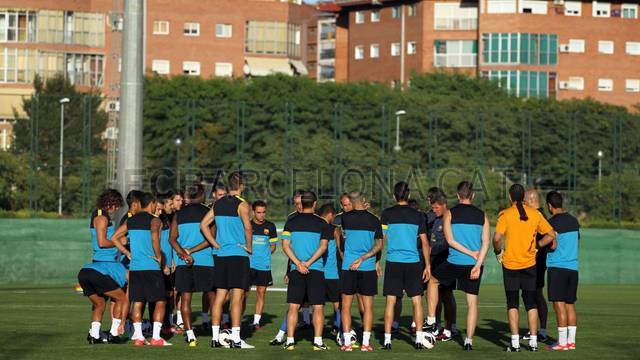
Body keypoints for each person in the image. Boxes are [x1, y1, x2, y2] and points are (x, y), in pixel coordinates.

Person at [425, 181, 490, 351]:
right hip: (474, 265)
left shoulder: (450, 214)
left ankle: (431, 319)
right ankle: (468, 341)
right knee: (472, 303)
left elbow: (450, 241)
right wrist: (477, 263)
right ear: (473, 195)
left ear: (457, 195)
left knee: (432, 280)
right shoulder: (482, 215)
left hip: (454, 262)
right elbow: (486, 242)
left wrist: (469, 253)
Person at [493, 184, 556, 352]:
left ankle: (514, 344)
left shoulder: (505, 214)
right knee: (530, 303)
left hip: (511, 264)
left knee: (512, 303)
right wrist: (537, 246)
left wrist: (498, 252)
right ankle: (534, 342)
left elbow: (497, 238)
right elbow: (551, 234)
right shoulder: (536, 214)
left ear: (510, 197)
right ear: (523, 197)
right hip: (530, 264)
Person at [110, 192, 172, 346]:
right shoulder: (155, 220)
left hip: (135, 267)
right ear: (151, 203)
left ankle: (138, 337)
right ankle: (156, 338)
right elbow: (154, 239)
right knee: (160, 301)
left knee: (138, 301)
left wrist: (126, 253)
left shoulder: (131, 220)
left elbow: (114, 237)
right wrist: (159, 257)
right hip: (150, 266)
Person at [201, 171, 253, 349]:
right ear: (241, 186)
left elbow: (203, 225)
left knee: (219, 297)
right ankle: (236, 339)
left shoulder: (218, 203)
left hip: (221, 256)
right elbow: (248, 228)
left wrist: (215, 244)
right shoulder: (243, 205)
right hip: (238, 256)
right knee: (236, 298)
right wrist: (249, 246)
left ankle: (215, 339)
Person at [381, 182, 430, 350]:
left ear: (394, 196)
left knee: (390, 301)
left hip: (393, 262)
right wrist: (428, 265)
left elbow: (382, 239)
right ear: (408, 196)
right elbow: (425, 243)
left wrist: (375, 261)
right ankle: (418, 339)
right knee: (417, 301)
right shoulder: (418, 215)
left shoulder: (387, 214)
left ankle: (387, 341)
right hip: (413, 263)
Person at [281, 191, 331, 351]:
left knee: (294, 306)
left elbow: (285, 246)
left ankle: (289, 341)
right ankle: (318, 341)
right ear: (315, 204)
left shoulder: (291, 222)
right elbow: (323, 247)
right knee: (318, 307)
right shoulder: (323, 223)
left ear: (301, 203)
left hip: (296, 270)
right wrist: (308, 263)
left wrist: (298, 264)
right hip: (315, 270)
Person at [168, 184, 214, 347]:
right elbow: (212, 238)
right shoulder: (208, 213)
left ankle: (190, 336)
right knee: (212, 297)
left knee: (185, 299)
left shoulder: (178, 214)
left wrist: (184, 254)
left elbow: (172, 239)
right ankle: (215, 335)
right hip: (205, 261)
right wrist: (191, 252)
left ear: (188, 195)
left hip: (183, 262)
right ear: (201, 195)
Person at [80, 189, 128, 344]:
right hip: (104, 265)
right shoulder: (101, 217)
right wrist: (120, 242)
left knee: (100, 303)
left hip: (99, 265)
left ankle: (94, 335)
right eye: (116, 206)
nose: (116, 210)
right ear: (110, 203)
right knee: (121, 297)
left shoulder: (101, 215)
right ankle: (114, 334)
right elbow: (102, 242)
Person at [339, 191, 383, 352]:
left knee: (346, 306)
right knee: (368, 307)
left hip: (348, 267)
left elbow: (343, 237)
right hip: (368, 267)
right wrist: (364, 258)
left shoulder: (345, 218)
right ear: (364, 201)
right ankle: (365, 343)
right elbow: (379, 245)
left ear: (351, 201)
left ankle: (347, 343)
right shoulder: (374, 220)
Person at [544, 191, 580, 351]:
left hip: (557, 267)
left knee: (559, 305)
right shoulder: (574, 221)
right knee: (570, 305)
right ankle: (571, 342)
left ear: (549, 206)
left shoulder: (551, 223)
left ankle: (562, 343)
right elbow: (577, 241)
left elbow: (552, 245)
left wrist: (539, 246)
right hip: (573, 268)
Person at [425, 188, 457, 342]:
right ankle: (435, 326)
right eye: (432, 207)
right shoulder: (432, 218)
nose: (434, 210)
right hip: (433, 262)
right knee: (433, 295)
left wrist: (432, 248)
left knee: (447, 295)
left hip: (447, 261)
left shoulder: (450, 218)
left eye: (436, 207)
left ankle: (451, 328)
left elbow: (448, 243)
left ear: (444, 205)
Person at [522, 189, 549, 342]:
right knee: (532, 294)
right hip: (533, 262)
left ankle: (540, 331)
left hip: (536, 263)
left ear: (531, 200)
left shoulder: (538, 215)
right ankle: (537, 330)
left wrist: (536, 246)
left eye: (524, 201)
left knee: (534, 294)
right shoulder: (538, 214)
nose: (523, 204)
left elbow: (551, 236)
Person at [248, 200, 279, 330]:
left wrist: (266, 252)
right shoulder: (247, 225)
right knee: (243, 293)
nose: (261, 215)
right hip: (248, 265)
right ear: (253, 212)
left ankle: (256, 321)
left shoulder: (270, 226)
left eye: (263, 212)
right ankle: (235, 319)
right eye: (258, 212)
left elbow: (273, 247)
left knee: (261, 293)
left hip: (264, 266)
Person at [316, 204, 342, 344]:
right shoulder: (334, 230)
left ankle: (283, 333)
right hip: (332, 274)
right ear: (330, 215)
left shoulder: (314, 228)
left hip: (317, 272)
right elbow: (340, 251)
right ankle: (340, 330)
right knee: (337, 304)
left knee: (307, 304)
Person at [156, 192, 175, 333]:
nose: (173, 206)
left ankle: (167, 324)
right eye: (170, 203)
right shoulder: (157, 221)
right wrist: (163, 264)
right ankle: (156, 325)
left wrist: (173, 259)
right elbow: (157, 244)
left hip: (168, 263)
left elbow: (169, 242)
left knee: (169, 294)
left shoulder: (168, 219)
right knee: (157, 296)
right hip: (160, 264)